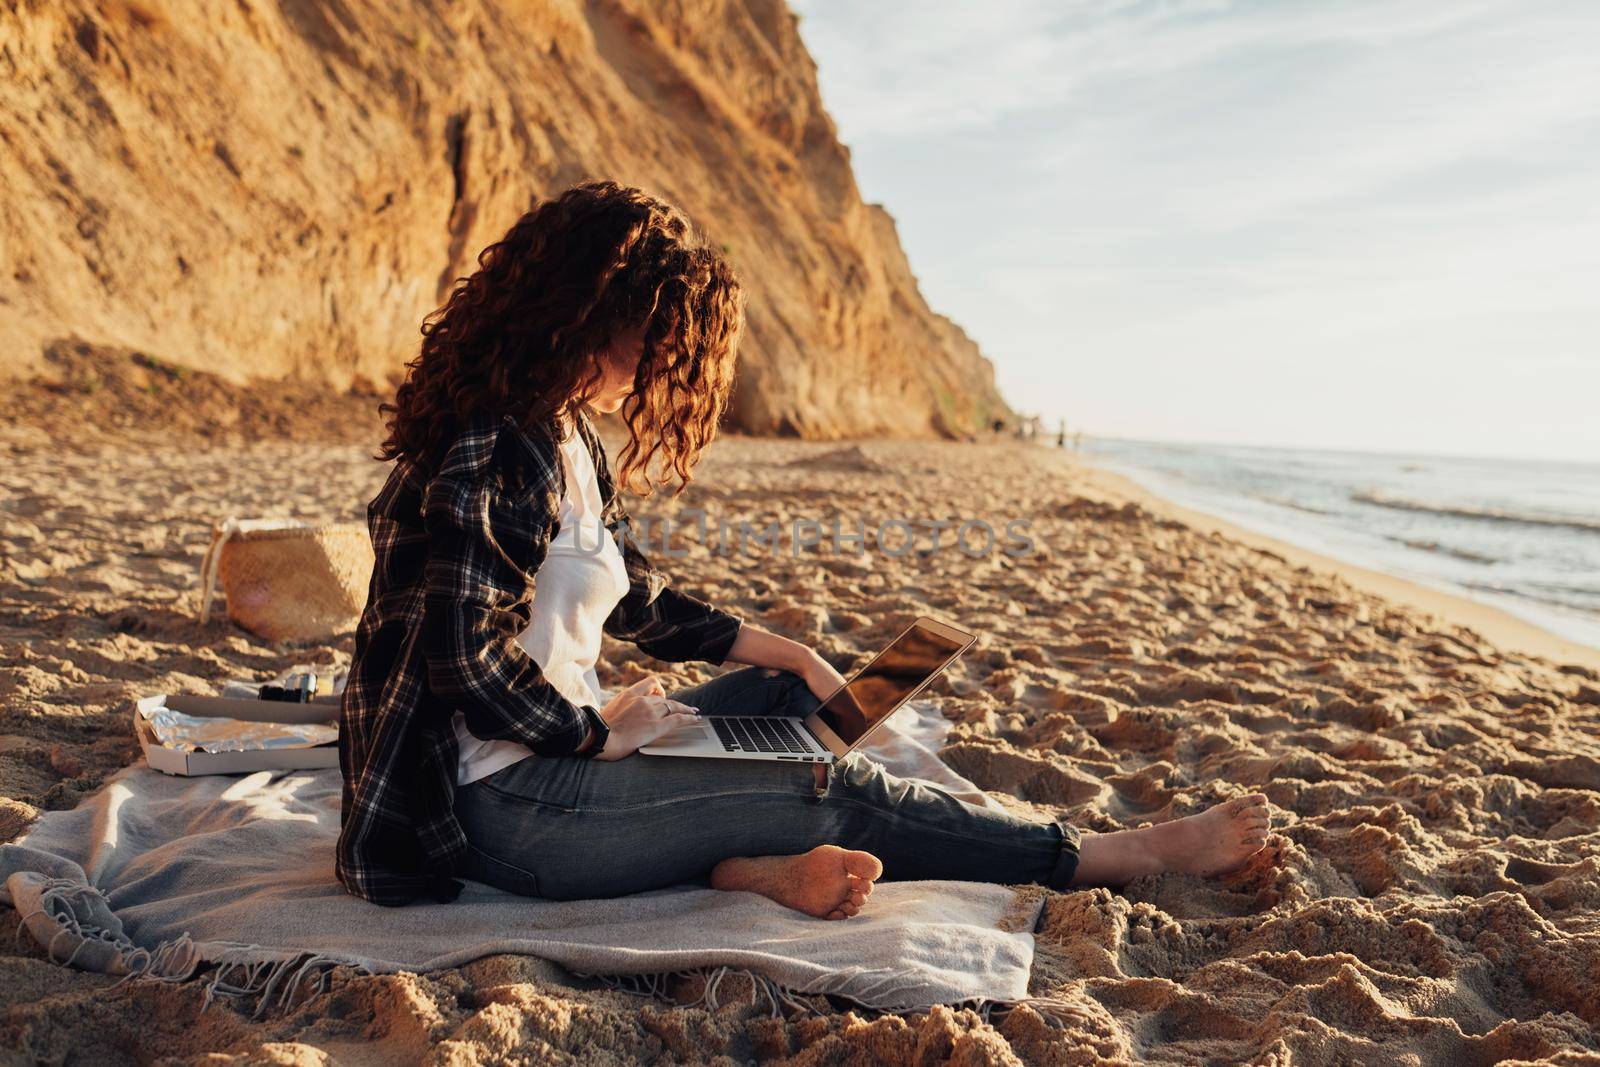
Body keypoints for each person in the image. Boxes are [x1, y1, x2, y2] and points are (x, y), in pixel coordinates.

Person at [335, 181, 1273, 917]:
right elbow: (466, 658)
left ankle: (744, 858)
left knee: (793, 699)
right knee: (827, 780)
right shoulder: (497, 439)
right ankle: (1116, 853)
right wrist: (594, 730)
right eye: (656, 334)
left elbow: (637, 598)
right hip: (500, 810)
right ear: (587, 310)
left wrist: (789, 651)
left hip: (560, 757)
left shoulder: (574, 436)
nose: (665, 361)